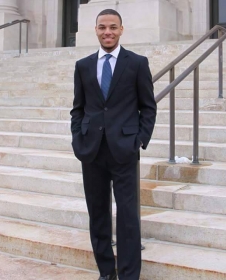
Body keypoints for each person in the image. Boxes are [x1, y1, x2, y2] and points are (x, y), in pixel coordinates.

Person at [70, 9, 156, 280]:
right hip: (92, 150)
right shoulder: (83, 66)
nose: (107, 32)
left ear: (121, 30)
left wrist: (139, 140)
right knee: (98, 215)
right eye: (102, 27)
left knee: (128, 217)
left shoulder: (137, 63)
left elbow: (148, 107)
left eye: (113, 27)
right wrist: (77, 139)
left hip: (124, 150)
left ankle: (129, 275)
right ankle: (106, 272)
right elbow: (78, 109)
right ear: (95, 30)